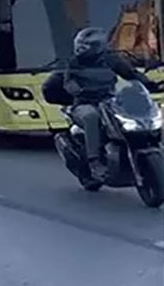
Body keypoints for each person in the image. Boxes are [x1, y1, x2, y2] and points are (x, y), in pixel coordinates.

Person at [42, 27, 160, 179]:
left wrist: (149, 84)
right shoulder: (74, 62)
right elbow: (68, 81)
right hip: (84, 103)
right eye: (79, 46)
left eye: (85, 47)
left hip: (109, 100)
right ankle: (94, 161)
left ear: (97, 47)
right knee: (92, 117)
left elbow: (130, 73)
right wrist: (77, 90)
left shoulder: (111, 59)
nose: (80, 50)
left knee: (136, 113)